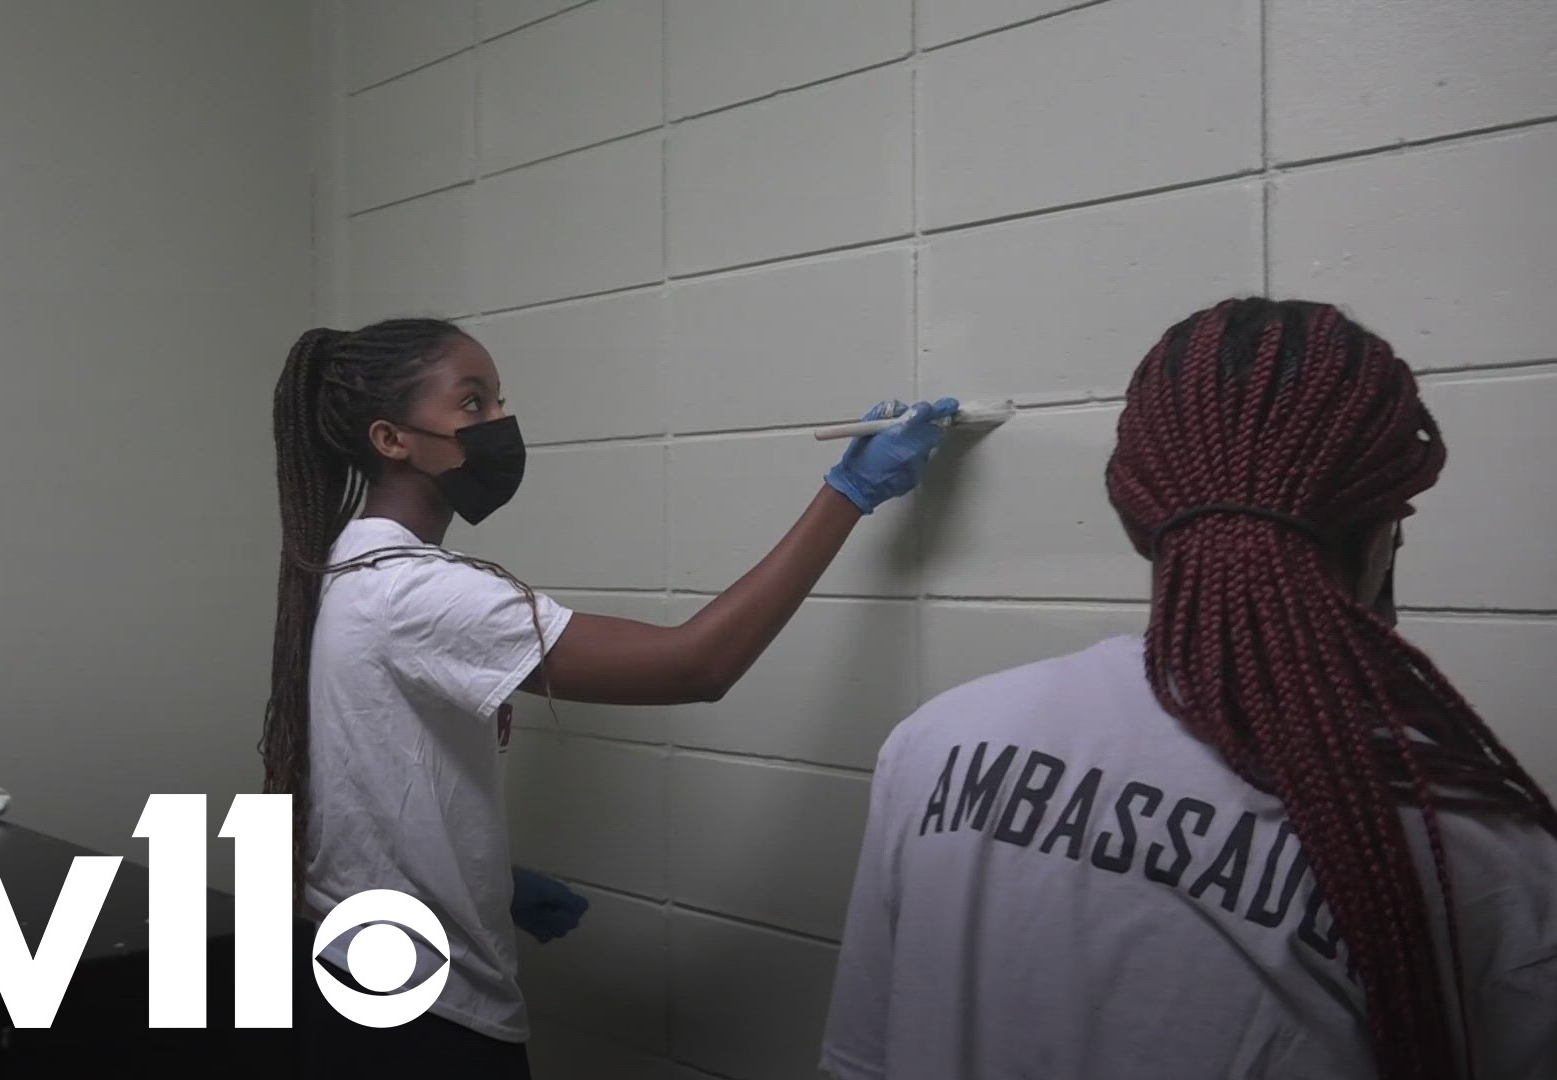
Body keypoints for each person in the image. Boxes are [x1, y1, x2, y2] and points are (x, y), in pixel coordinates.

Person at [819, 297, 1557, 1080]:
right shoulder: (1486, 858)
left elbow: (858, 1064)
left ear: (1139, 516)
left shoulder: (940, 742)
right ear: (1383, 533)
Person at [265, 317, 959, 1077]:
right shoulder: (414, 592)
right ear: (392, 439)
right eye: (472, 404)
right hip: (425, 1015)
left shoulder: (347, 566)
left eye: (499, 400)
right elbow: (693, 666)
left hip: (356, 968)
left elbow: (370, 768)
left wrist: (485, 884)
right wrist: (848, 494)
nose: (501, 424)